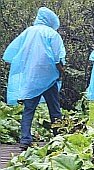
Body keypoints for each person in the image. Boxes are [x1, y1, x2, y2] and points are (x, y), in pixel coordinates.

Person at [2, 7, 66, 151]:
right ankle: (59, 137)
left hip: (30, 78)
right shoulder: (52, 34)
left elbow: (13, 52)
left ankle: (25, 140)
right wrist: (61, 72)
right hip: (49, 78)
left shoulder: (28, 32)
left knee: (28, 109)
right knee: (54, 109)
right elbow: (57, 57)